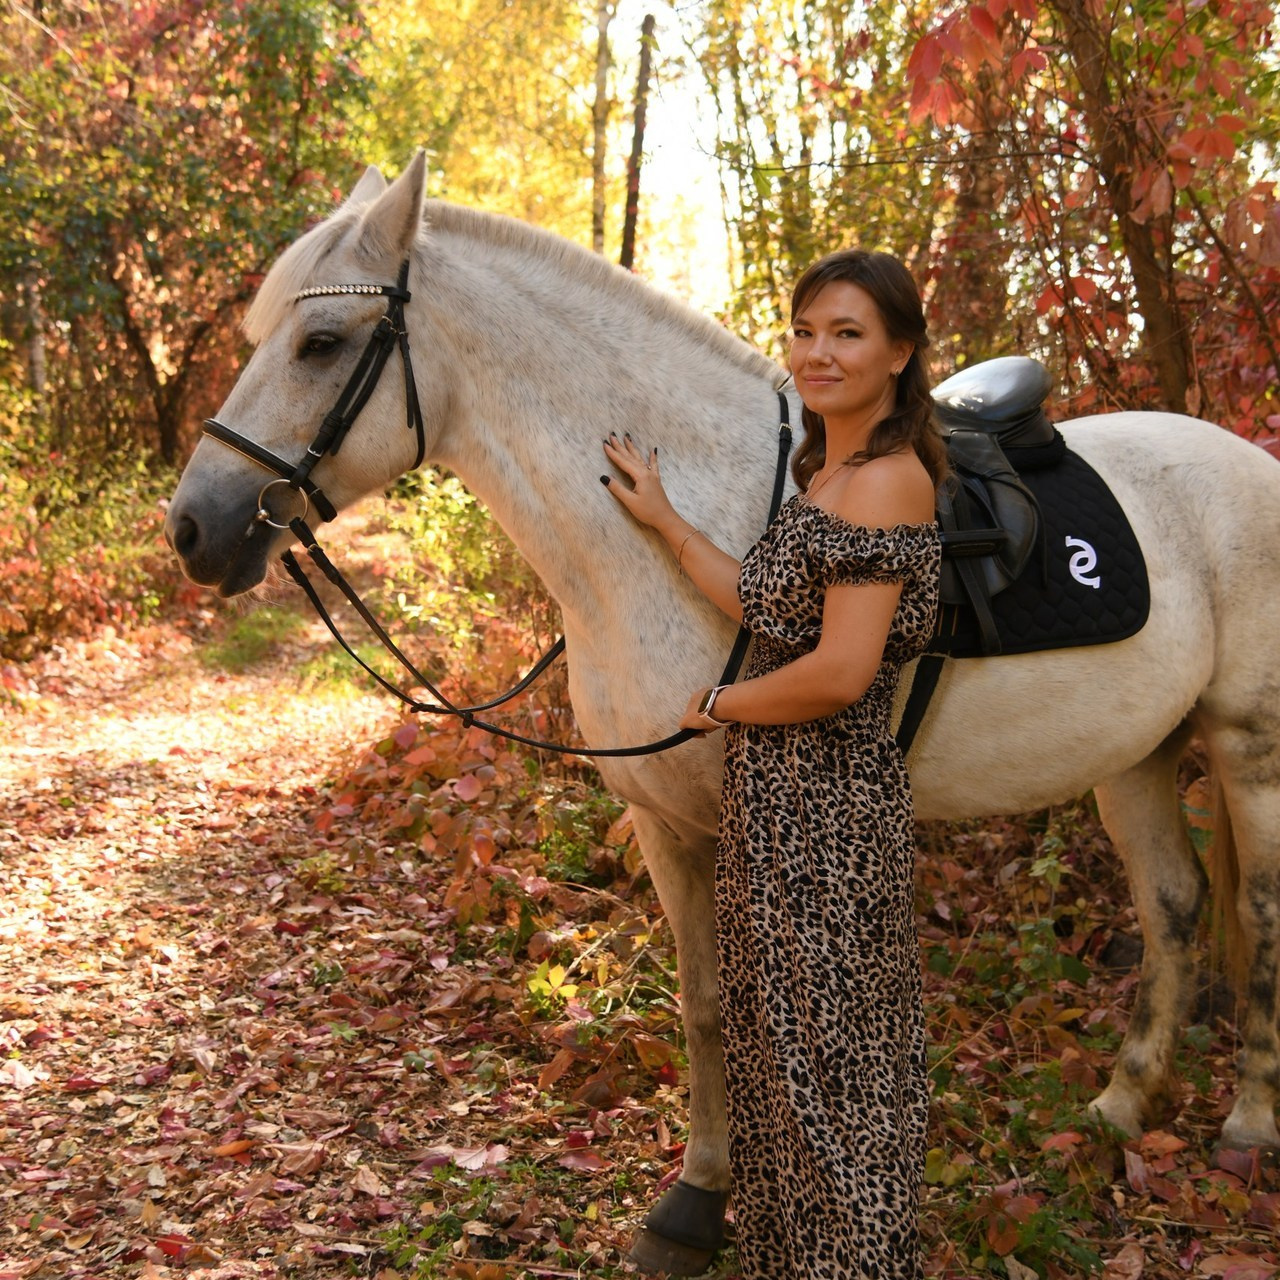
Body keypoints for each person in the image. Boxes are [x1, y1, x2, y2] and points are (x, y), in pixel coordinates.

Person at [601, 247, 947, 1279]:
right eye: (804, 330)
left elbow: (839, 671)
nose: (817, 352)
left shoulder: (886, 482)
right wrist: (667, 522)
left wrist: (721, 702)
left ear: (899, 353)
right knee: (781, 1056)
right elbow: (770, 603)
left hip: (832, 810)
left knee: (835, 1065)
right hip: (778, 802)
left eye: (846, 333)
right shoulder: (825, 472)